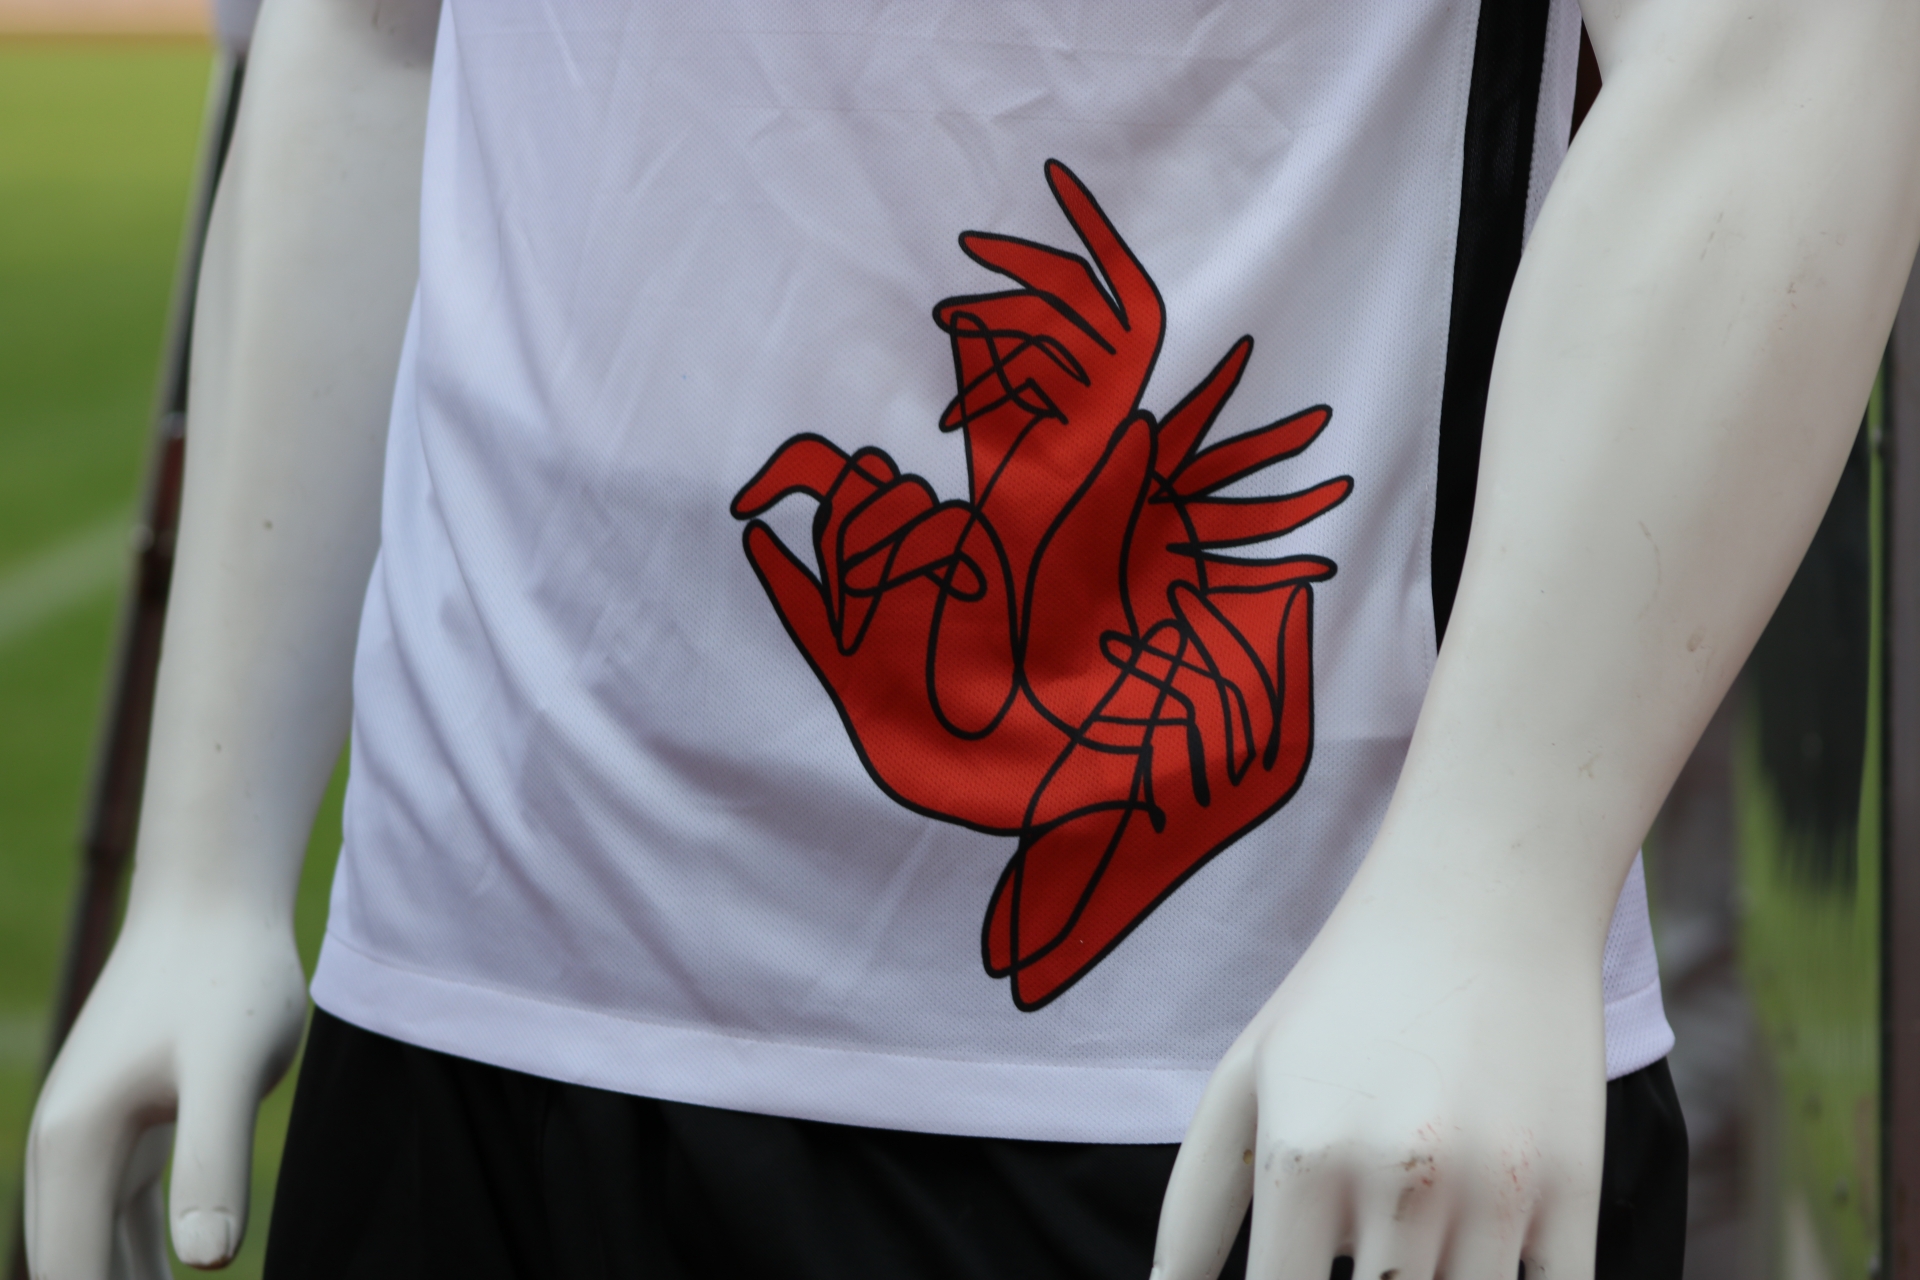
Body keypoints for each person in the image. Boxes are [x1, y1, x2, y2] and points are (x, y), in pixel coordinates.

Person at [23, 1, 1920, 1278]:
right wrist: (205, 871)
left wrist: (1490, 881)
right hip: (481, 988)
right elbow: (374, 33)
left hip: (1269, 1064)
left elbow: (1785, 45)